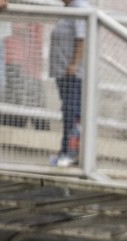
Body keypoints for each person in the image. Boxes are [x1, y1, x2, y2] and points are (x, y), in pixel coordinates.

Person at [49, 0, 89, 168]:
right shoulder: (69, 8)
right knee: (69, 112)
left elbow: (82, 38)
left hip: (73, 74)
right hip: (64, 72)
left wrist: (74, 63)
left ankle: (70, 153)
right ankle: (66, 150)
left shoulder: (79, 7)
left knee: (72, 114)